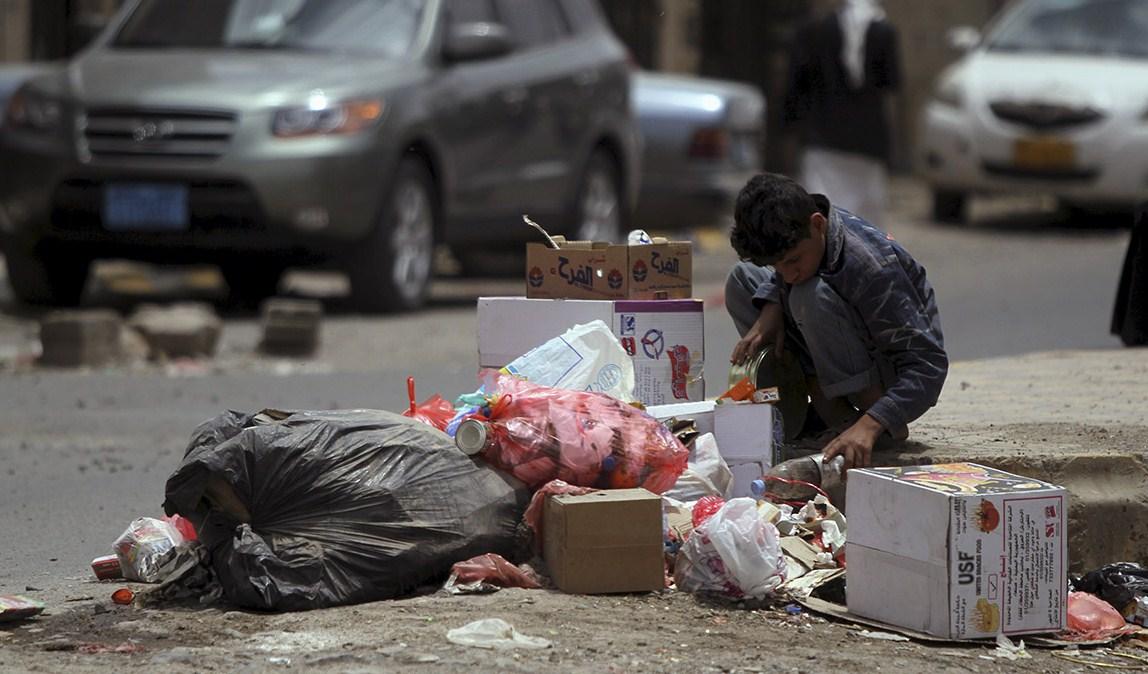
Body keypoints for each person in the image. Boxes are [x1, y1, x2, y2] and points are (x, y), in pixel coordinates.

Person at [725, 173, 947, 470]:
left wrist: (873, 422)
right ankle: (804, 411)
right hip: (836, 347)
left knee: (808, 295)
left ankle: (852, 420)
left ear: (818, 224)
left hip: (885, 379)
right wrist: (772, 304)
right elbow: (783, 271)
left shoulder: (872, 268)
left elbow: (929, 366)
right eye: (775, 267)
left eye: (792, 261)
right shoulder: (804, 241)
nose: (786, 274)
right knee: (742, 280)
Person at [782, 0, 902, 224]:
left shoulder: (813, 31)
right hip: (867, 142)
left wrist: (790, 128)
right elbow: (892, 84)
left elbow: (795, 87)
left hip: (822, 139)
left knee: (822, 218)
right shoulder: (884, 32)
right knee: (865, 224)